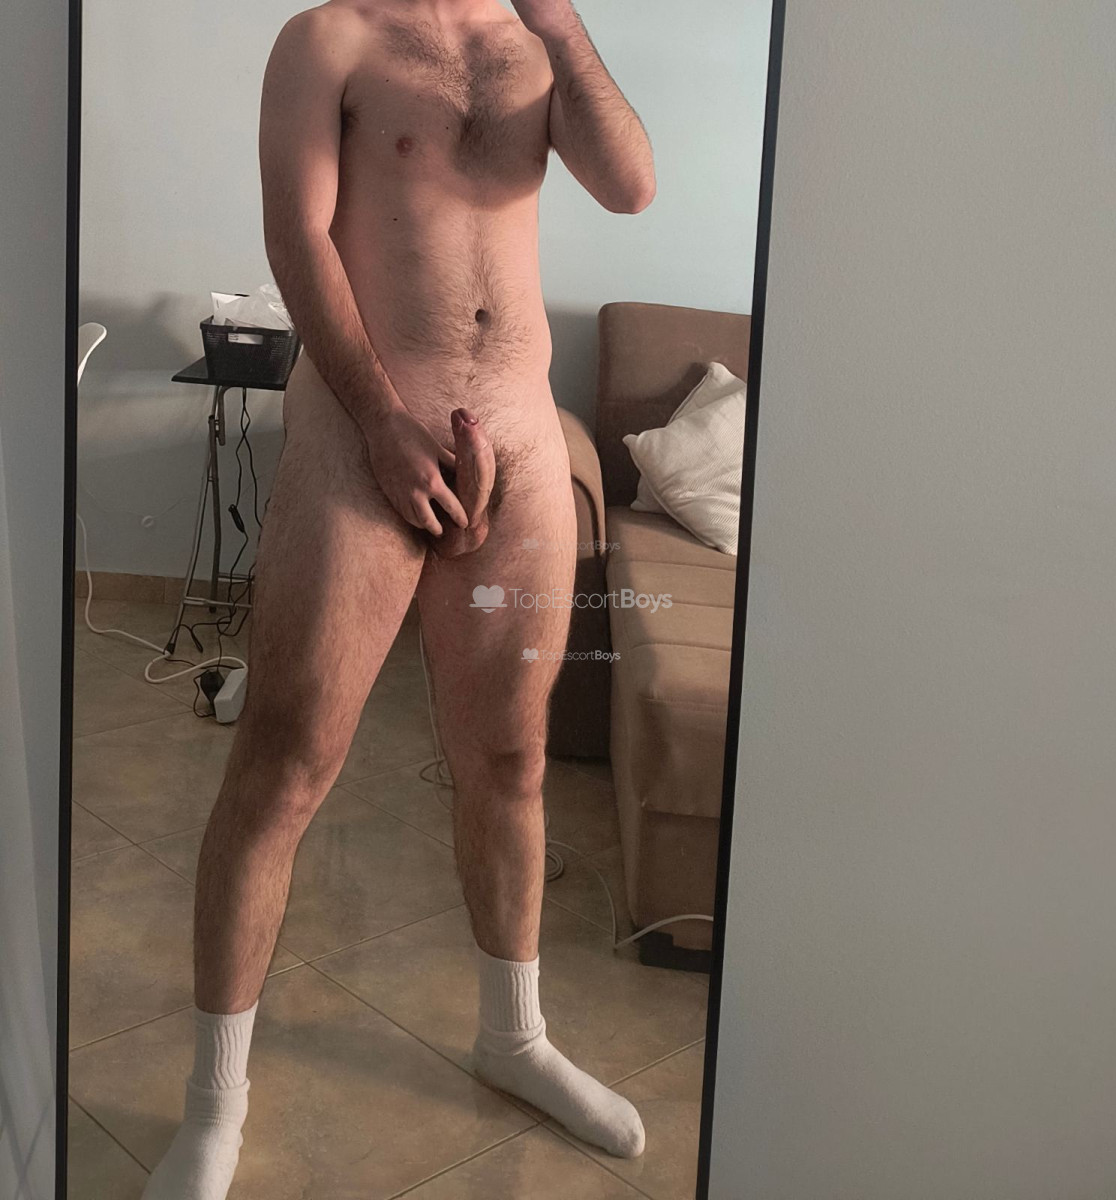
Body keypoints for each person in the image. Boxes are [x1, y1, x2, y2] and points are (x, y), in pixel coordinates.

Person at [143, 1, 655, 1195]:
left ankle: (514, 1037)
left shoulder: (535, 46)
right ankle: (214, 1106)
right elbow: (297, 236)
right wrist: (379, 419)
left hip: (521, 443)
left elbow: (629, 185)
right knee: (284, 764)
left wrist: (557, 19)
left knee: (511, 763)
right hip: (362, 434)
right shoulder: (330, 37)